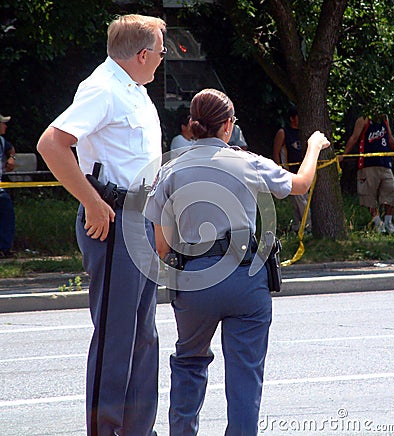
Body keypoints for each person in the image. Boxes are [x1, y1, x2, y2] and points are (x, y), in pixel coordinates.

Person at [145, 88, 330, 435]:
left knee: (189, 362)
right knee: (245, 374)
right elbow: (301, 184)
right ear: (228, 126)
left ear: (192, 125)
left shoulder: (170, 170)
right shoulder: (247, 162)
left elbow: (161, 245)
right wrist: (314, 146)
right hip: (246, 277)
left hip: (195, 280)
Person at [37, 14, 166, 436]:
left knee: (143, 340)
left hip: (140, 220)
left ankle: (136, 430)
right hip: (114, 220)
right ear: (143, 54)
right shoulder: (103, 88)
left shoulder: (135, 90)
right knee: (116, 340)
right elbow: (52, 143)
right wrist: (90, 202)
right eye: (162, 52)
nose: (163, 59)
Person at [342, 113, 394, 234]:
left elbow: (390, 138)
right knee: (368, 195)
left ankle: (389, 222)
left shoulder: (384, 119)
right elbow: (354, 138)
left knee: (391, 191)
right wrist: (344, 154)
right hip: (367, 164)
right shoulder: (363, 119)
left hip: (385, 163)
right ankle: (377, 222)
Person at [273, 106, 312, 232]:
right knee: (299, 202)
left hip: (305, 171)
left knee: (302, 201)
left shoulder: (304, 131)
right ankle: (306, 226)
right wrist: (279, 170)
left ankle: (301, 226)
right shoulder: (283, 132)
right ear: (292, 118)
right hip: (291, 172)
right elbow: (276, 152)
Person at [0, 114, 16, 258]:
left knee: (6, 213)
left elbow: (11, 149)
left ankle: (4, 248)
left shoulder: (2, 141)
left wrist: (12, 158)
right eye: (3, 123)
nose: (5, 126)